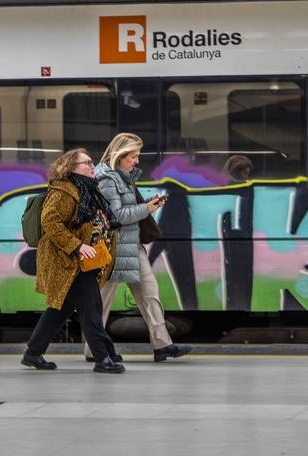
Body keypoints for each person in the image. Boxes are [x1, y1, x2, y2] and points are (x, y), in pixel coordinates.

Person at [86, 132, 192, 363]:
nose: (136, 161)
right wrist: (148, 209)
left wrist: (146, 204)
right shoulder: (107, 179)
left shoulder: (123, 177)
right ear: (120, 155)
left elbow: (126, 209)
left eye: (137, 156)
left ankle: (162, 345)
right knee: (102, 300)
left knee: (150, 294)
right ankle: (93, 349)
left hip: (131, 245)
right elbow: (116, 215)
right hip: (112, 248)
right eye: (133, 156)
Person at [22, 148, 124, 374]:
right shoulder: (64, 191)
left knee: (61, 309)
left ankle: (33, 352)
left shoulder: (87, 188)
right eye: (86, 163)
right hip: (66, 261)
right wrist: (77, 245)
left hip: (81, 260)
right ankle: (102, 357)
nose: (91, 165)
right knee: (91, 308)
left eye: (91, 161)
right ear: (71, 168)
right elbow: (50, 222)